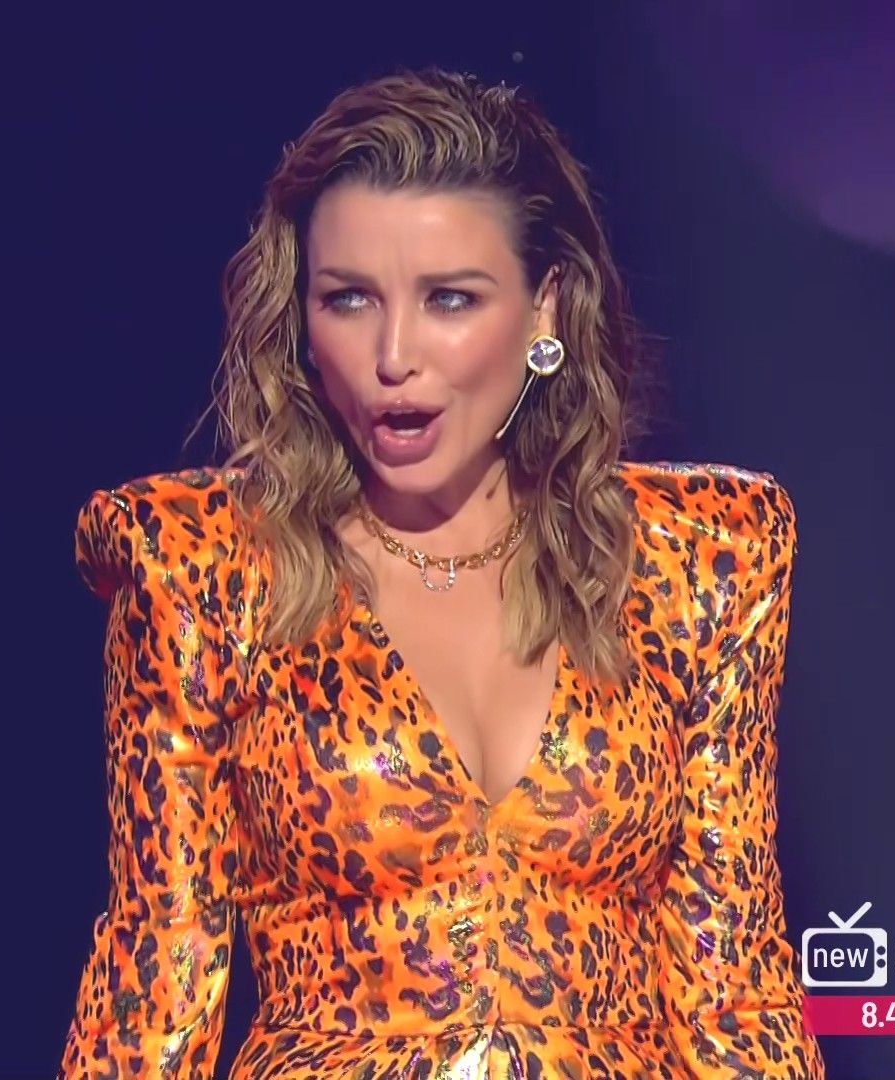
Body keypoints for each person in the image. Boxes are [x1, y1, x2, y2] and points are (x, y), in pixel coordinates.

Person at [60, 67, 823, 1079]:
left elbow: (733, 989)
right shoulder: (201, 571)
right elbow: (157, 980)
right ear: (300, 321)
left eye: (449, 299)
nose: (393, 355)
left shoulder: (695, 563)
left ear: (546, 311)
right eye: (348, 299)